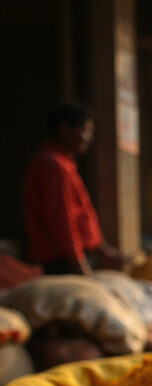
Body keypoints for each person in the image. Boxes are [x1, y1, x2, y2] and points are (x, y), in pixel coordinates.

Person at [23, 100, 122, 275]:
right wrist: (79, 264)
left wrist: (102, 248)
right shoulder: (52, 165)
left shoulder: (64, 163)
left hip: (71, 257)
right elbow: (62, 220)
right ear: (64, 129)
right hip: (59, 260)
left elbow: (81, 212)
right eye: (85, 130)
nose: (89, 138)